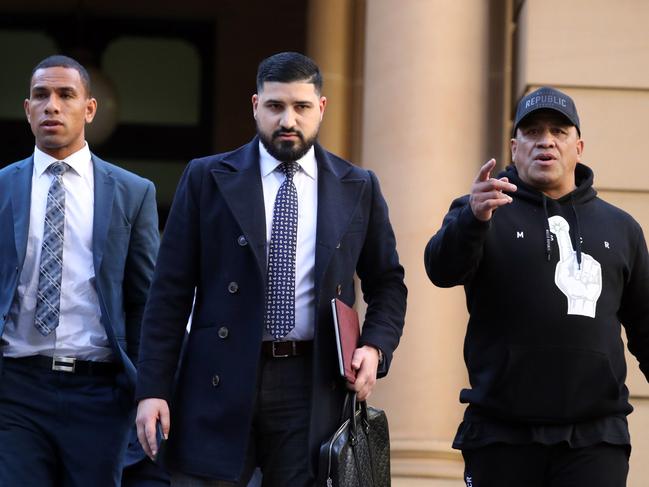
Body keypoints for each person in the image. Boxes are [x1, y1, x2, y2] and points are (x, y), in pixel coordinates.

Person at [135, 51, 407, 487]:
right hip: (217, 377)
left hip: (311, 382)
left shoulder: (358, 186)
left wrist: (374, 347)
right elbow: (169, 292)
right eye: (276, 106)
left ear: (321, 108)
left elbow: (388, 282)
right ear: (255, 106)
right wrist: (153, 389)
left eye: (300, 107)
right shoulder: (206, 177)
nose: (288, 120)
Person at [424, 86, 649, 486]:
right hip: (501, 436)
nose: (545, 140)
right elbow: (441, 269)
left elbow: (645, 326)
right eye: (532, 131)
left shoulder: (622, 228)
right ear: (514, 147)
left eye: (559, 131)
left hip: (595, 440)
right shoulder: (481, 208)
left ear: (578, 146)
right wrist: (473, 220)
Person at [0, 55, 161, 486]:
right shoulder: (2, 187)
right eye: (41, 96)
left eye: (65, 95)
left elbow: (147, 300)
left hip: (100, 392)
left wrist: (152, 388)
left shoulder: (132, 192)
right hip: (15, 388)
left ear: (89, 108)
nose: (52, 105)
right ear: (27, 109)